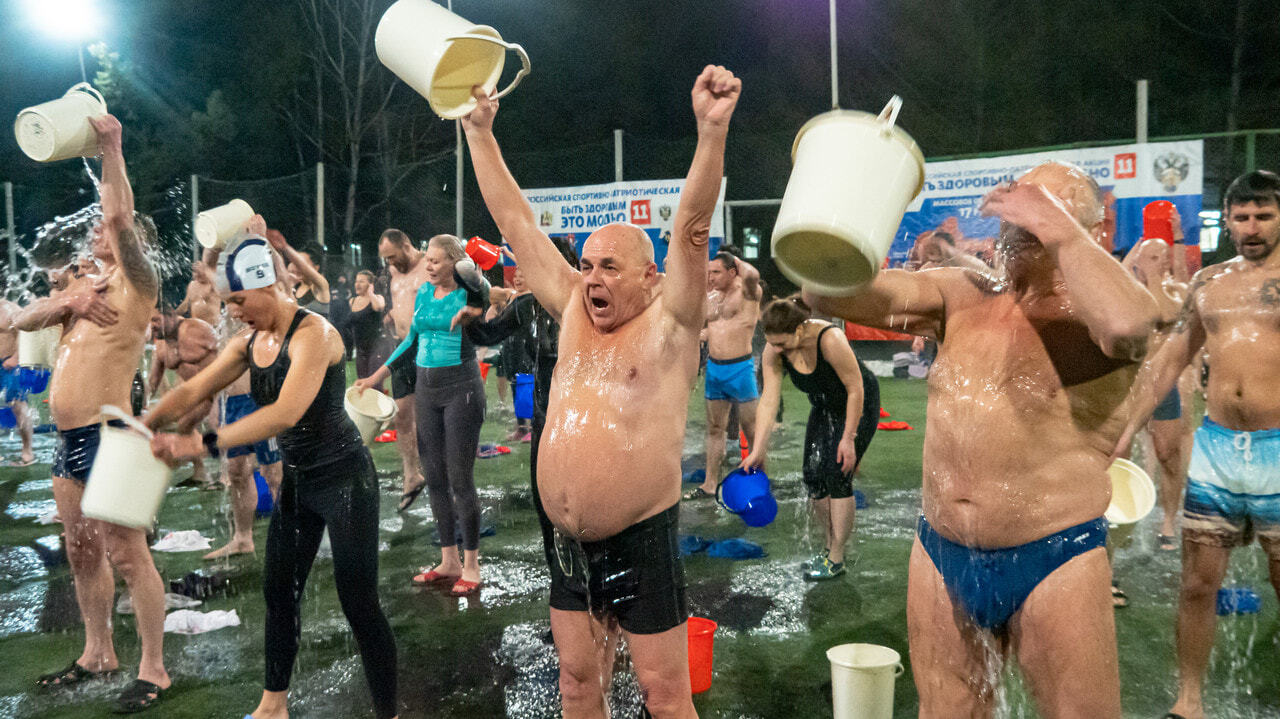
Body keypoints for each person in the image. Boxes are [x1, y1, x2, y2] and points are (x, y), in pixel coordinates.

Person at [805, 161, 1158, 718]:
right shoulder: (960, 294)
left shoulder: (1098, 314)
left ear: (1091, 230)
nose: (1022, 215)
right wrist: (863, 192)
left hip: (1055, 554)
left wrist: (1057, 226)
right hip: (941, 552)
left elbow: (1128, 328)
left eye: (1044, 205)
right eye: (1020, 203)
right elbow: (825, 292)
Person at [462, 65, 741, 718]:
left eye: (607, 266)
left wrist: (710, 132)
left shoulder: (672, 327)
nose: (590, 277)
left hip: (641, 541)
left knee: (666, 696)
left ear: (650, 277)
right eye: (585, 264)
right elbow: (517, 223)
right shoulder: (575, 312)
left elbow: (693, 228)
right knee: (576, 686)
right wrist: (479, 135)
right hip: (565, 543)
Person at [145, 235, 398, 719]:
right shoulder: (248, 342)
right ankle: (272, 706)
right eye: (228, 303)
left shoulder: (315, 335)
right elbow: (196, 386)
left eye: (239, 300)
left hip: (346, 480)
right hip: (300, 484)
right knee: (278, 590)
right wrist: (146, 422)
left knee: (359, 603)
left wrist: (203, 443)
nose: (234, 312)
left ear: (266, 286)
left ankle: (389, 713)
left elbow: (285, 412)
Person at [18, 114, 172, 713]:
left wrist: (111, 149)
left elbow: (118, 217)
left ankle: (153, 669)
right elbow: (17, 321)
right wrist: (70, 298)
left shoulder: (139, 282)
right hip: (67, 438)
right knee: (80, 549)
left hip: (112, 434)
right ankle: (97, 652)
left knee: (127, 552)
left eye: (103, 233)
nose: (94, 235)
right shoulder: (83, 292)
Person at [1116, 170, 1280, 719]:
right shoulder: (1209, 282)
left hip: (1279, 451)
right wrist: (1125, 425)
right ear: (1228, 220)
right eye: (1242, 216)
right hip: (1216, 449)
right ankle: (1189, 700)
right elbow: (1169, 359)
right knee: (1194, 586)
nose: (1252, 227)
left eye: (1264, 215)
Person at [355, 234, 489, 594]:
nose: (428, 266)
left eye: (435, 261)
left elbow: (488, 294)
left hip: (461, 389)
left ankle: (472, 564)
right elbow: (410, 340)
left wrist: (472, 290)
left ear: (454, 264)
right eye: (427, 259)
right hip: (427, 391)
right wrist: (375, 378)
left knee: (460, 478)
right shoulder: (425, 293)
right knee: (435, 477)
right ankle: (449, 559)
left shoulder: (468, 292)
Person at [741, 297, 879, 580]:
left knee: (837, 472)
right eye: (772, 343)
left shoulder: (830, 339)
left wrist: (848, 439)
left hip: (858, 404)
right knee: (813, 476)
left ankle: (837, 557)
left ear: (800, 330)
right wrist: (758, 450)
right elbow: (768, 401)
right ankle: (829, 545)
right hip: (824, 405)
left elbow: (855, 388)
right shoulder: (774, 350)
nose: (777, 349)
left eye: (783, 343)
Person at [1120, 238, 1190, 548]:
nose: (1160, 260)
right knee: (1119, 457)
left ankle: (1168, 522)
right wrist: (1130, 267)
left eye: (1163, 256)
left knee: (1168, 455)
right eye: (1152, 256)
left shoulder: (1177, 291)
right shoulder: (1129, 290)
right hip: (1128, 388)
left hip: (1162, 387)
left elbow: (1164, 313)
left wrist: (1152, 277)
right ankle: (1122, 520)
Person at [687, 251, 761, 500]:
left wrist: (736, 260)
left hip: (740, 369)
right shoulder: (712, 295)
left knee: (751, 431)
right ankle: (710, 484)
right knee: (715, 429)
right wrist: (702, 336)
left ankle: (759, 482)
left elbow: (753, 274)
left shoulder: (748, 292)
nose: (711, 277)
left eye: (716, 272)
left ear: (732, 272)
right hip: (715, 369)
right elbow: (716, 328)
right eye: (709, 272)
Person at [376, 228, 428, 510]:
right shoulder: (394, 273)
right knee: (402, 416)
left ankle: (442, 475)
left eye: (393, 257)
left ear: (406, 245)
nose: (390, 264)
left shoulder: (430, 264)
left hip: (430, 347)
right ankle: (412, 475)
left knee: (431, 416)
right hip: (403, 349)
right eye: (386, 259)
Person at [147, 309, 219, 487]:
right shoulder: (162, 345)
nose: (152, 326)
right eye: (149, 322)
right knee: (184, 425)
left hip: (218, 389)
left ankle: (229, 474)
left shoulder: (197, 330)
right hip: (195, 394)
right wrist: (142, 408)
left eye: (155, 320)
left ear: (170, 313)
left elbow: (226, 358)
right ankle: (201, 472)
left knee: (217, 425)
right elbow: (153, 380)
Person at [0, 299, 37, 466]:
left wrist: (16, 357)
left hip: (9, 364)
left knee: (18, 405)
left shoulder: (10, 309)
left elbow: (26, 332)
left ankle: (27, 450)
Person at [267, 230, 330, 318]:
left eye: (299, 263)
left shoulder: (321, 287)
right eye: (293, 262)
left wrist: (285, 247)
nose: (295, 267)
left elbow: (304, 268)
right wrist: (268, 243)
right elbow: (280, 266)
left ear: (316, 268)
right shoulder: (293, 287)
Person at [348, 269, 387, 379]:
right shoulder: (352, 301)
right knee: (362, 383)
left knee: (374, 384)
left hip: (376, 348)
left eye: (361, 281)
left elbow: (379, 307)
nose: (357, 284)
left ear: (370, 284)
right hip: (360, 350)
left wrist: (370, 293)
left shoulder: (378, 298)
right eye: (356, 281)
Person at [175, 260, 222, 326]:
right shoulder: (192, 285)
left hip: (213, 326)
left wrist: (205, 268)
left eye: (199, 272)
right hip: (198, 326)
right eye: (195, 272)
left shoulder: (213, 285)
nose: (197, 275)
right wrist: (173, 315)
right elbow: (185, 305)